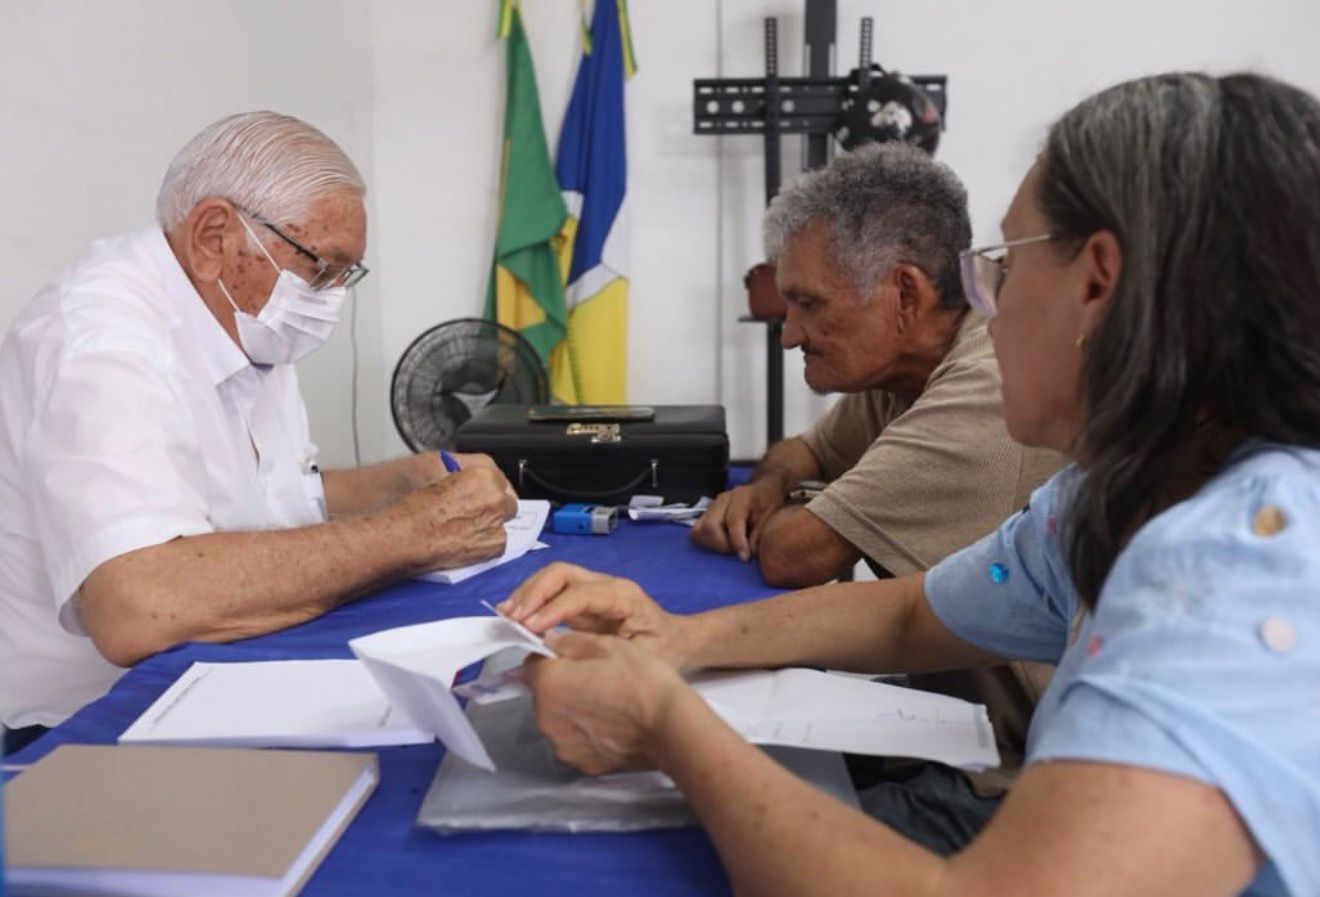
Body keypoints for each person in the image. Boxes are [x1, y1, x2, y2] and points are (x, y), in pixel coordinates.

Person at [503, 72, 1320, 896]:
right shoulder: (1110, 493)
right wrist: (675, 636)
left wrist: (666, 722)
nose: (985, 303)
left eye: (1002, 265)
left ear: (1098, 283)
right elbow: (908, 613)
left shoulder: (1244, 564)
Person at [0, 112, 516, 748]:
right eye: (320, 268)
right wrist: (414, 533)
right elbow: (140, 603)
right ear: (215, 236)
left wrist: (404, 482)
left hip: (214, 681)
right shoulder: (97, 344)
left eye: (344, 274)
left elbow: (272, 499)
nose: (330, 298)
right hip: (92, 730)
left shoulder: (240, 312)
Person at [691, 142, 1061, 588]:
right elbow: (809, 452)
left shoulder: (985, 385)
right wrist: (768, 487)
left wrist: (802, 504)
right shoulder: (904, 366)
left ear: (905, 294)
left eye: (809, 304)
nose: (789, 335)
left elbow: (792, 553)